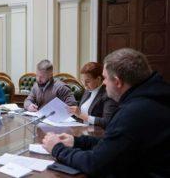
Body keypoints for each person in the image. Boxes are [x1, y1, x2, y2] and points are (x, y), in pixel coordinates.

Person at [42, 48, 170, 177]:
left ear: (117, 82)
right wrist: (76, 141)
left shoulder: (134, 112)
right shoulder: (155, 96)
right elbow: (114, 145)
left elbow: (95, 164)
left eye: (105, 78)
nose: (104, 82)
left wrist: (56, 148)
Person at [68, 62, 118, 128]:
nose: (84, 84)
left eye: (88, 81)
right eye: (83, 80)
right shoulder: (87, 91)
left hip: (97, 134)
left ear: (98, 79)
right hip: (82, 130)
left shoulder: (108, 94)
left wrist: (81, 115)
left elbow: (107, 122)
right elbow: (79, 114)